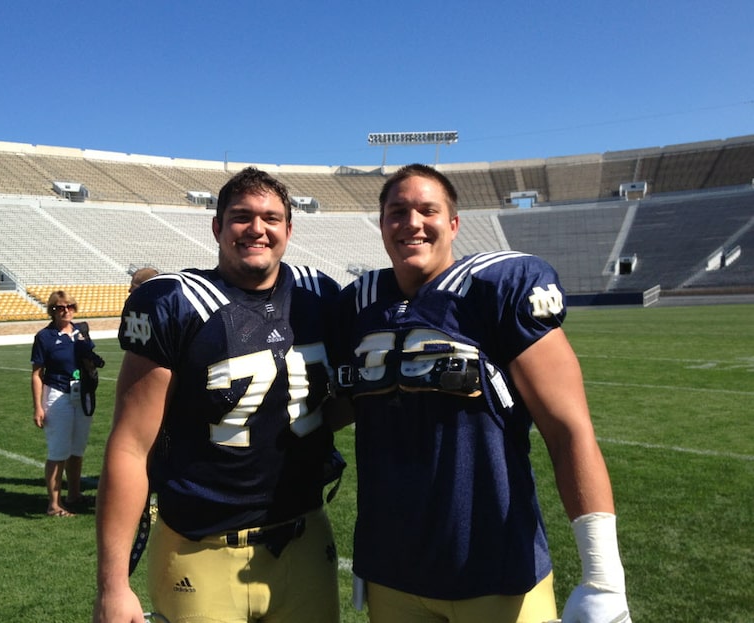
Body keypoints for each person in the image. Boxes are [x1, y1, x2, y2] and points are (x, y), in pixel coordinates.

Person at [334, 164, 631, 623]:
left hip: (497, 571)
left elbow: (568, 428)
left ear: (453, 224)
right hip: (391, 570)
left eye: (427, 210)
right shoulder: (359, 301)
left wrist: (603, 576)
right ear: (382, 225)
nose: (411, 222)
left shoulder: (497, 287)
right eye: (397, 212)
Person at [93, 167, 343, 623]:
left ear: (289, 228)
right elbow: (130, 446)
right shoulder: (176, 302)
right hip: (199, 548)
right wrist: (112, 584)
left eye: (270, 217)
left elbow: (338, 399)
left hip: (304, 539)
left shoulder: (318, 295)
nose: (257, 228)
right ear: (218, 227)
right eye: (241, 216)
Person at [31, 291, 104, 517]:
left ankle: (74, 494)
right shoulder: (45, 337)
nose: (66, 311)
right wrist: (38, 407)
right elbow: (37, 374)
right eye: (60, 307)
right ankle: (54, 504)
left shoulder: (80, 331)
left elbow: (87, 357)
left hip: (81, 394)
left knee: (77, 450)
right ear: (52, 310)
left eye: (70, 306)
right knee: (58, 451)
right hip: (57, 393)